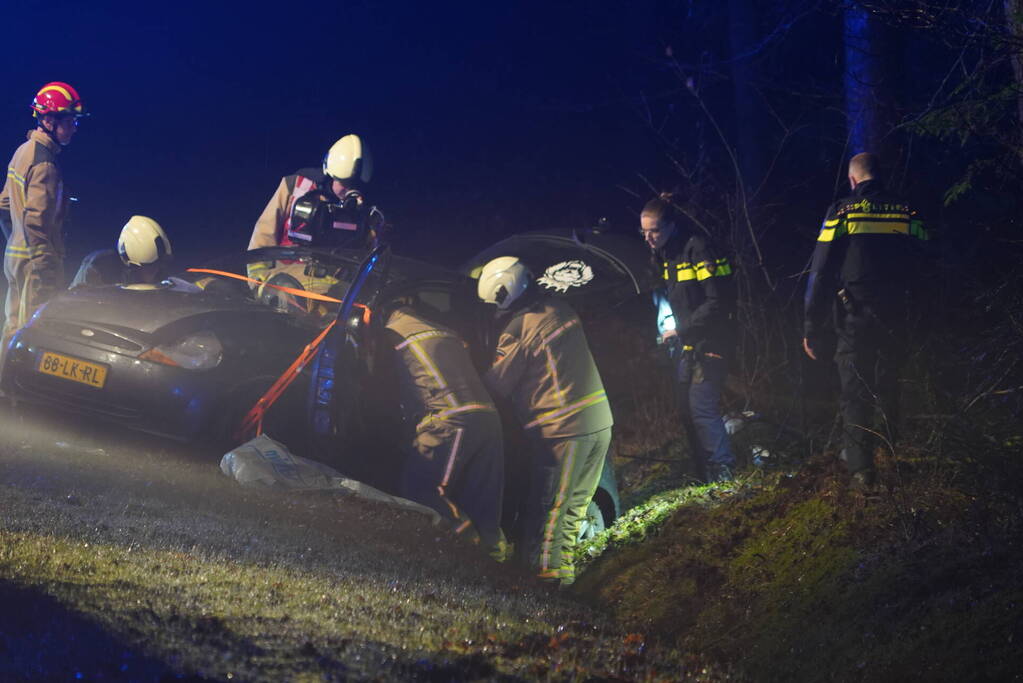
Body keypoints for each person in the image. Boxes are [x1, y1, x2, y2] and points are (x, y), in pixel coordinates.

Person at [477, 256, 613, 586]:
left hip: (563, 431)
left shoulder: (519, 328)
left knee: (550, 508)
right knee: (574, 506)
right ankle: (563, 578)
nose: (493, 312)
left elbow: (497, 385)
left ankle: (543, 583)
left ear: (502, 291)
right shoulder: (561, 309)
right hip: (599, 422)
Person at [803, 152, 929, 489]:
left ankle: (861, 470)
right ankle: (892, 457)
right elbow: (926, 263)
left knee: (855, 389)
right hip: (896, 315)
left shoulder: (842, 211)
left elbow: (821, 270)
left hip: (854, 316)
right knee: (889, 384)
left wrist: (811, 326)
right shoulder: (906, 210)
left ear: (854, 180)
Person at [382, 303, 507, 559]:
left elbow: (387, 387)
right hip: (489, 416)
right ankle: (496, 558)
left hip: (450, 419)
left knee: (420, 488)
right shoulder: (444, 331)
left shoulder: (393, 332)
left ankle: (466, 546)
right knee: (482, 495)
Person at [640, 194, 737, 482]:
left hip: (712, 341)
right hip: (687, 345)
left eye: (654, 230)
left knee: (702, 407)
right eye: (644, 232)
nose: (649, 237)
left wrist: (681, 330)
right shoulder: (665, 258)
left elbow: (717, 302)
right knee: (686, 410)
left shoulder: (697, 248)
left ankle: (724, 474)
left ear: (671, 226)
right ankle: (703, 474)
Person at [0, 82, 86, 349]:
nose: (74, 127)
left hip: (16, 258)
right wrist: (43, 269)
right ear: (48, 119)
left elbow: (4, 205)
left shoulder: (22, 151)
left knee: (12, 330)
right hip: (36, 263)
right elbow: (36, 223)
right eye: (70, 120)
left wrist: (16, 241)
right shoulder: (45, 162)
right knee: (31, 335)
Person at [70, 215, 172, 288]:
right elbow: (78, 302)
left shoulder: (160, 269)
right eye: (150, 268)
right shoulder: (98, 265)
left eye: (158, 265)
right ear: (131, 265)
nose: (156, 271)